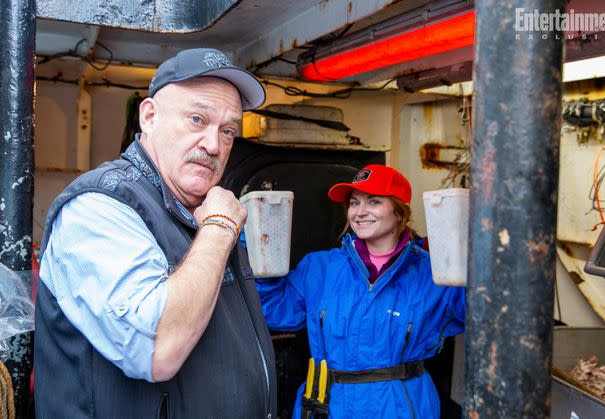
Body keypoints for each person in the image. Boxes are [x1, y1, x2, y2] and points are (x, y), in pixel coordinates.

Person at [34, 48, 277, 418]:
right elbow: (157, 348)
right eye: (197, 119)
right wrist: (219, 228)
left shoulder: (199, 211)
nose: (213, 145)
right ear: (149, 117)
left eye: (227, 131)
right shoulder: (98, 207)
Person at [256, 164, 465, 418]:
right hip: (327, 407)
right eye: (354, 203)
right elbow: (273, 311)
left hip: (399, 409)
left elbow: (483, 314)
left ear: (399, 212)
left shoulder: (433, 274)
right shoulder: (320, 267)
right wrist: (261, 261)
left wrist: (476, 254)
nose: (360, 212)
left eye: (374, 202)